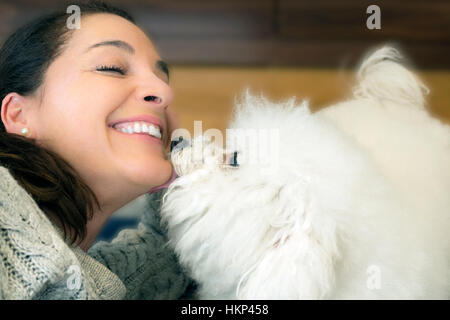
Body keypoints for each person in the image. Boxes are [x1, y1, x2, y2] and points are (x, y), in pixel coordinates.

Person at [0, 1, 194, 299]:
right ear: (18, 115)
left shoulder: (107, 280)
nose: (165, 93)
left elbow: (163, 259)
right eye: (112, 68)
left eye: (162, 79)